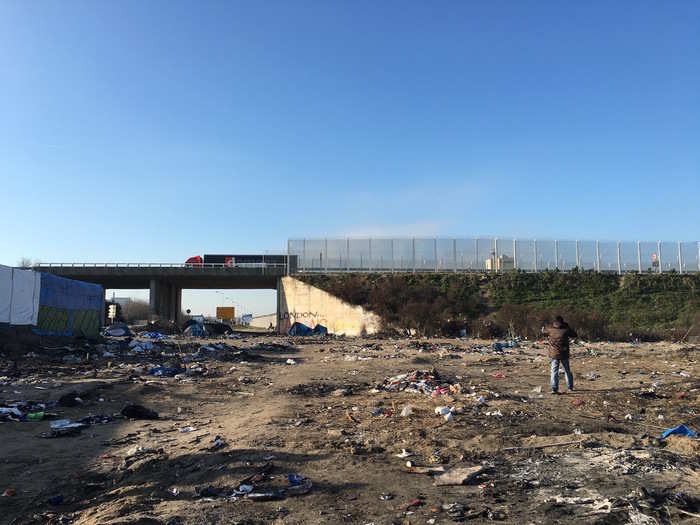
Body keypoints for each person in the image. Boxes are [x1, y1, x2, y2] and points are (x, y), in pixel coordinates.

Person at [541, 315, 577, 394]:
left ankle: (554, 389)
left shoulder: (550, 329)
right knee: (567, 370)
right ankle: (570, 387)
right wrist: (568, 327)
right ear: (562, 321)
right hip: (564, 353)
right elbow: (574, 334)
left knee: (554, 371)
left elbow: (543, 332)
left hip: (554, 354)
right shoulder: (566, 329)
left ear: (555, 322)